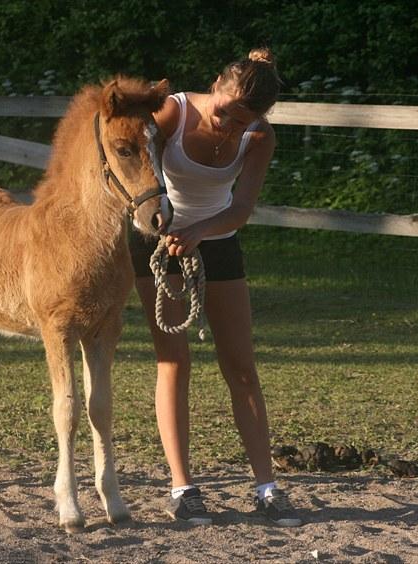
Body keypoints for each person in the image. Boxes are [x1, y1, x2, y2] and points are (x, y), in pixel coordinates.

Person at [130, 47, 302, 527]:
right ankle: (183, 488)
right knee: (173, 360)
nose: (227, 126)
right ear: (215, 86)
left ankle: (267, 487)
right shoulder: (175, 112)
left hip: (217, 241)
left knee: (241, 367)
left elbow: (241, 207)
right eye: (224, 112)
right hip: (158, 241)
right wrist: (164, 222)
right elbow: (137, 163)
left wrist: (201, 232)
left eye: (240, 121)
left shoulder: (259, 136)